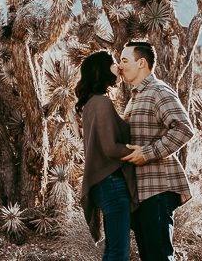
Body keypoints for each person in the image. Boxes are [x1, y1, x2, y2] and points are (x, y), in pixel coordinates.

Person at [119, 41, 194, 261]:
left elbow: (184, 129)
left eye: (125, 60)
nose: (120, 66)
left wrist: (148, 153)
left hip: (158, 190)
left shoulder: (158, 91)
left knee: (160, 257)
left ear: (141, 63)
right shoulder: (136, 97)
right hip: (142, 192)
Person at [77, 51, 138, 261]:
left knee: (113, 249)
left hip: (104, 183)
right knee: (119, 252)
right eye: (114, 63)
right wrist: (141, 151)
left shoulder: (91, 103)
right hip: (111, 183)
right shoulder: (101, 102)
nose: (118, 67)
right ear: (102, 69)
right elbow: (110, 148)